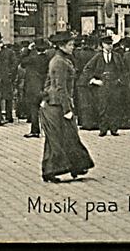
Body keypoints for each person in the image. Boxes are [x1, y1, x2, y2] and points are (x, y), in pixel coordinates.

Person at [39, 31, 94, 183]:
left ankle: (75, 166)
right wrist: (67, 109)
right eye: (70, 45)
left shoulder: (61, 59)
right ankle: (52, 170)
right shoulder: (59, 62)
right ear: (62, 46)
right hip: (57, 105)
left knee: (67, 136)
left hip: (54, 103)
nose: (73, 47)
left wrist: (44, 97)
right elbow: (61, 87)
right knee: (58, 138)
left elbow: (48, 82)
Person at [81, 35, 128, 137]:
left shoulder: (117, 56)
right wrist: (93, 80)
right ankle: (103, 129)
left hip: (114, 85)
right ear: (102, 45)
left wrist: (120, 80)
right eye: (107, 44)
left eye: (111, 44)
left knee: (114, 106)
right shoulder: (97, 57)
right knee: (102, 107)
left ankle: (114, 128)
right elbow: (87, 69)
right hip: (102, 85)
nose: (110, 46)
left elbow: (124, 70)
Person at [20, 39, 48, 137]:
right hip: (44, 86)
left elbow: (22, 62)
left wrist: (27, 49)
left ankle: (35, 130)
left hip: (33, 87)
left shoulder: (32, 59)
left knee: (34, 109)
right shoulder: (48, 59)